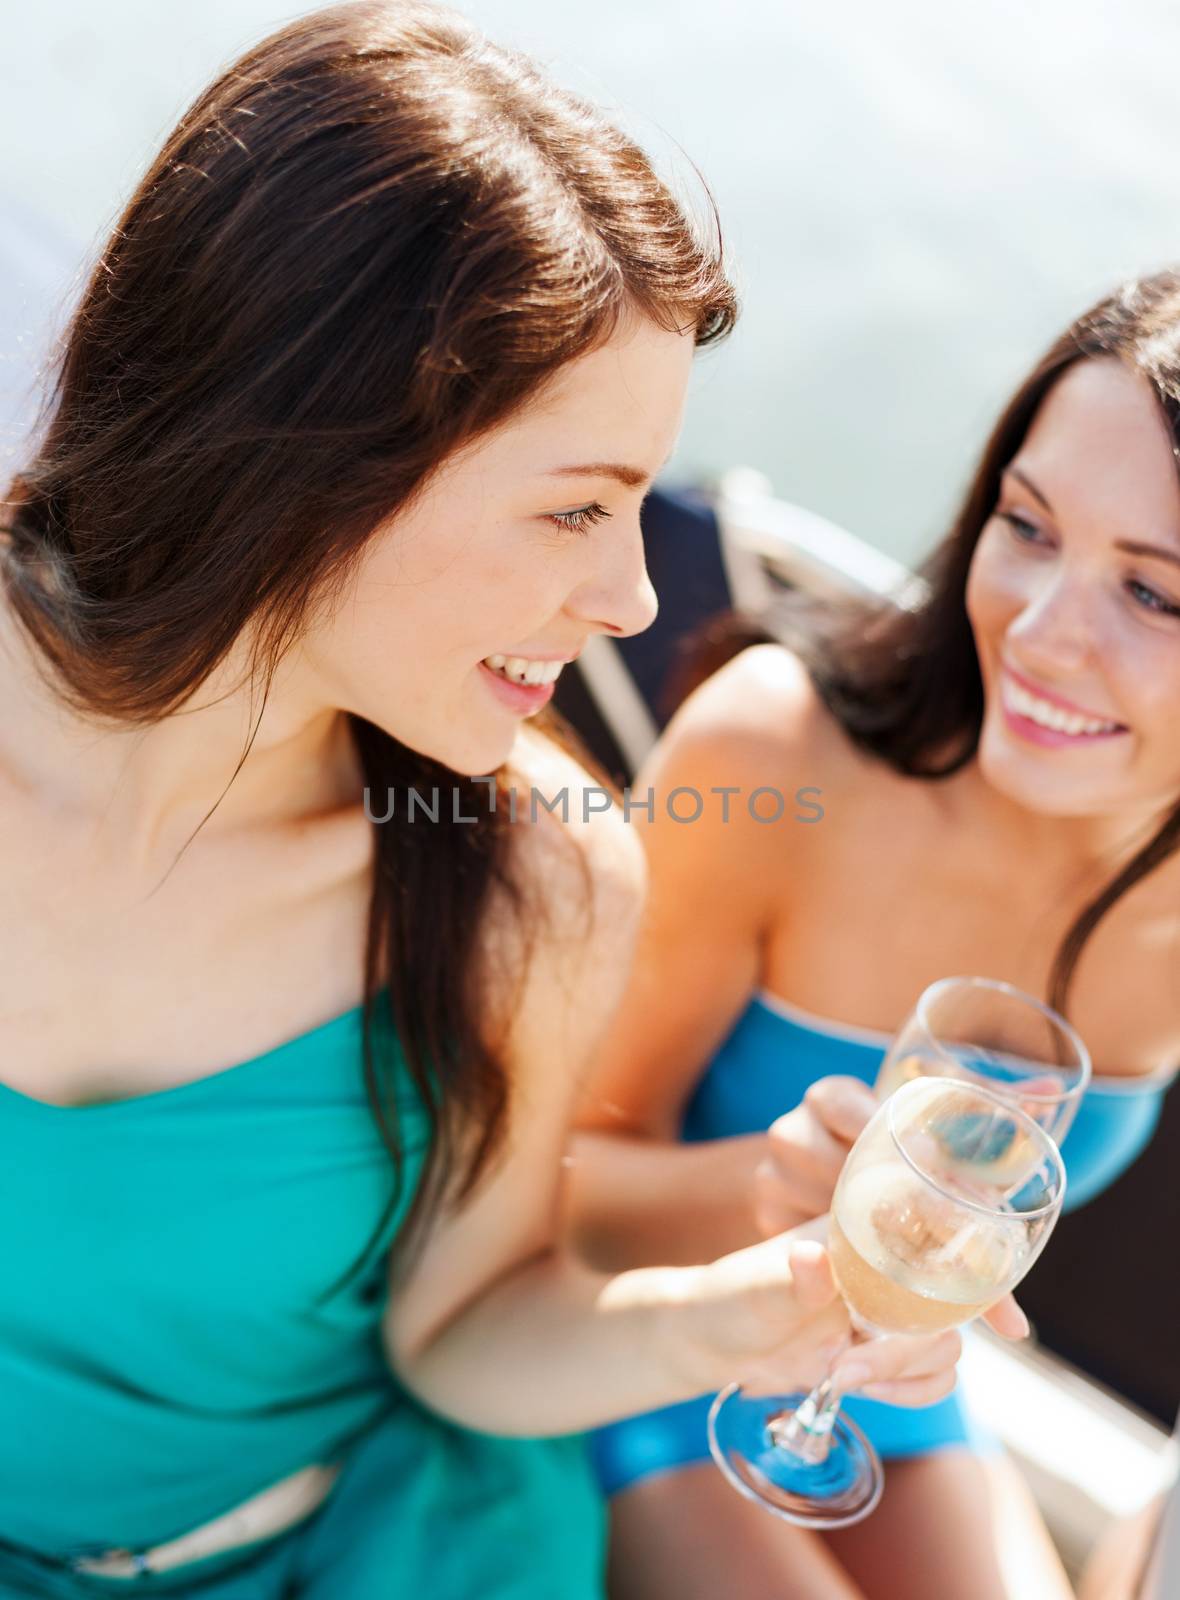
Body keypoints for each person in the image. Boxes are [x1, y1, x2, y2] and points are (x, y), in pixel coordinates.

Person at [0, 4, 976, 1596]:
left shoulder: (540, 877)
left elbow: (459, 1336)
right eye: (576, 508)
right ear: (316, 459)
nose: (630, 598)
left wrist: (743, 1312)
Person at [566, 268, 1180, 1600]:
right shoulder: (778, 752)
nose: (1043, 631)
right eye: (1029, 524)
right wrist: (763, 1192)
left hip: (897, 1394)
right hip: (639, 1357)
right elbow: (549, 1194)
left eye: (1155, 595)